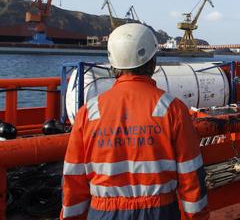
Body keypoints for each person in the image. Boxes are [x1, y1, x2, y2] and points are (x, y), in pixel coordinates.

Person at [61, 23, 208, 220]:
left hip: (103, 212)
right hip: (159, 212)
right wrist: (196, 217)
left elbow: (73, 179)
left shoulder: (89, 112)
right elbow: (191, 176)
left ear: (113, 63)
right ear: (152, 61)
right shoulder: (172, 109)